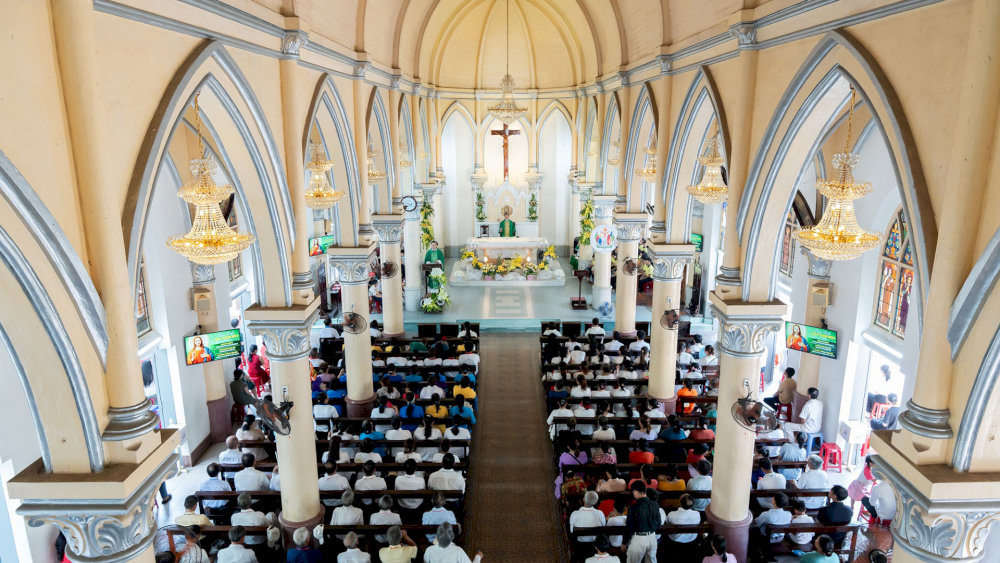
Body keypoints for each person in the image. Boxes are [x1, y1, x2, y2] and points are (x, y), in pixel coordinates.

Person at [623, 481, 661, 563]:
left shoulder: (633, 508)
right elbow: (658, 525)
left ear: (635, 492)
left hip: (639, 538)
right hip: (652, 537)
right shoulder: (655, 505)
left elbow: (629, 527)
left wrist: (624, 542)